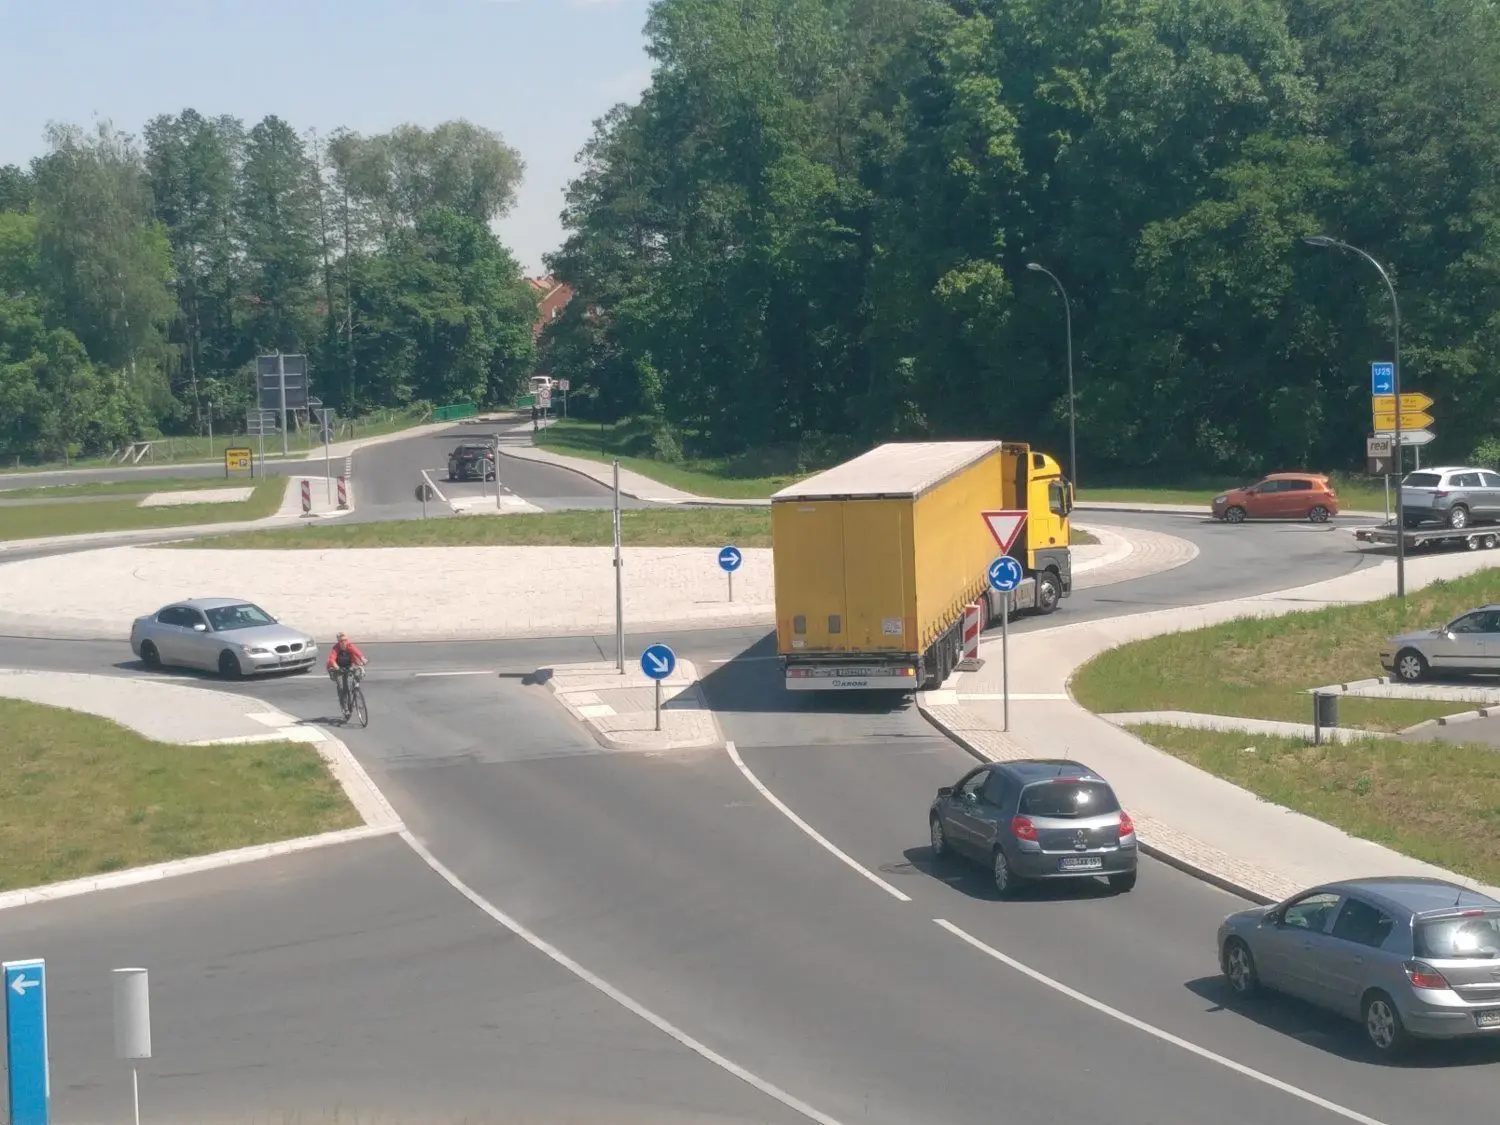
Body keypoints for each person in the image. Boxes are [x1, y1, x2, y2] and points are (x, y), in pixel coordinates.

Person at [326, 632, 368, 708]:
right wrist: (337, 668)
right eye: (342, 641)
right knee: (342, 688)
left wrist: (362, 659)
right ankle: (344, 706)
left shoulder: (349, 645)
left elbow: (356, 652)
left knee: (355, 676)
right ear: (338, 642)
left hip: (349, 666)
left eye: (345, 640)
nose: (344, 642)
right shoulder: (336, 648)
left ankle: (355, 696)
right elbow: (332, 659)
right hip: (338, 669)